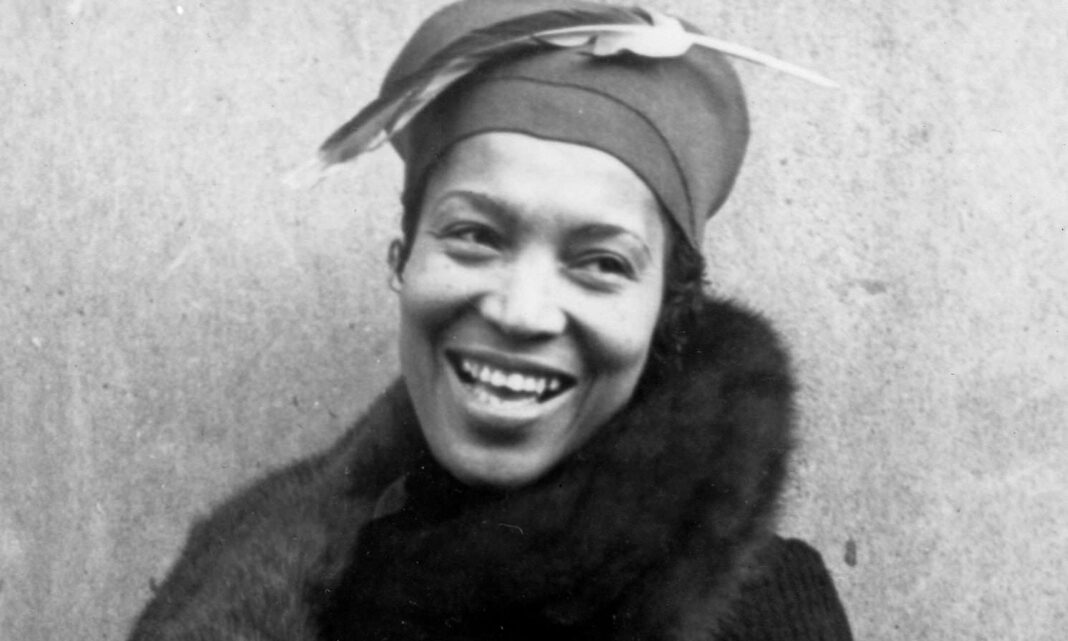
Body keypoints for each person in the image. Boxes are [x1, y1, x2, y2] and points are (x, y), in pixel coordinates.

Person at [128, 0, 853, 639]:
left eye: (602, 263)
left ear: (667, 311)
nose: (521, 311)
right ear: (403, 259)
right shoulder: (244, 579)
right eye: (475, 236)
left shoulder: (763, 613)